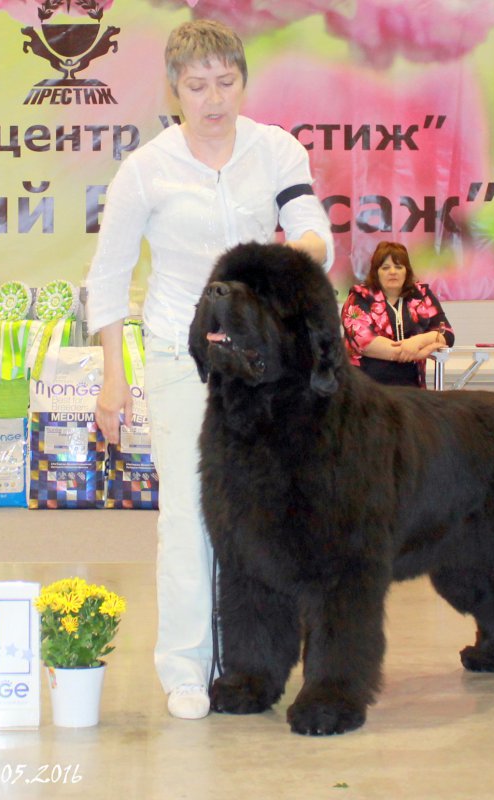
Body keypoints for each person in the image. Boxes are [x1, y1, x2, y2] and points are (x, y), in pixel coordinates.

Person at [85, 19, 334, 720]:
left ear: (243, 80)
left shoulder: (275, 149)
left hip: (264, 369)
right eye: (197, 85)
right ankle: (186, 666)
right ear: (175, 89)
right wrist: (113, 374)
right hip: (177, 356)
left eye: (226, 82)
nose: (214, 98)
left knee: (265, 513)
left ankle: (249, 660)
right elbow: (106, 278)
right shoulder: (146, 170)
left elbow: (310, 222)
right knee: (190, 513)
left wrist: (305, 248)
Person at [340, 241, 454, 387]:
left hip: (412, 391)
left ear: (407, 271)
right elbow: (365, 342)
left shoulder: (421, 295)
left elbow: (447, 334)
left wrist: (418, 341)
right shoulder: (359, 297)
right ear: (376, 272)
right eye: (385, 267)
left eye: (398, 267)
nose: (393, 272)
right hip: (366, 390)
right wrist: (416, 352)